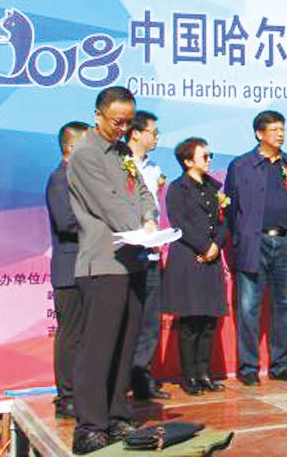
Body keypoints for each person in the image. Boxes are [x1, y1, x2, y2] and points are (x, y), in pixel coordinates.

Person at [67, 87, 158, 454]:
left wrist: (150, 219)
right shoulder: (85, 153)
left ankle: (118, 415)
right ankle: (90, 426)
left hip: (132, 260)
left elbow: (143, 194)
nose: (123, 129)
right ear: (98, 115)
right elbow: (109, 204)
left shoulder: (123, 153)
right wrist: (142, 227)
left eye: (128, 123)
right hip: (103, 263)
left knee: (125, 345)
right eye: (117, 122)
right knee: (98, 348)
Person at [224, 110, 287, 386]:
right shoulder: (241, 165)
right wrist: (240, 241)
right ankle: (248, 367)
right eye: (274, 130)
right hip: (254, 243)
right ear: (259, 133)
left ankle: (281, 365)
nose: (280, 134)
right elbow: (231, 209)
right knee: (249, 308)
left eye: (282, 129)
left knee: (285, 306)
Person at [163, 138, 227, 395]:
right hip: (188, 258)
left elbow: (223, 221)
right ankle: (189, 376)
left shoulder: (213, 187)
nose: (209, 160)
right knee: (190, 322)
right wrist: (203, 247)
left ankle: (204, 373)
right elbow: (180, 223)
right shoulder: (177, 189)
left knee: (209, 321)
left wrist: (216, 246)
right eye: (204, 156)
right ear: (188, 161)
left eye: (210, 156)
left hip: (211, 258)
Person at [45, 120, 89, 420]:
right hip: (69, 268)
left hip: (90, 267)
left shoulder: (85, 180)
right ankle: (67, 398)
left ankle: (84, 392)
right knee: (71, 335)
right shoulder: (59, 179)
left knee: (87, 336)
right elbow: (66, 222)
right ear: (70, 147)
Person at [126, 110, 169, 401]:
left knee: (150, 321)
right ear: (136, 133)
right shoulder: (118, 163)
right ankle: (119, 379)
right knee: (125, 318)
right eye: (153, 132)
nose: (156, 137)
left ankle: (142, 378)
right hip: (124, 253)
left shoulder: (154, 169)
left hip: (151, 252)